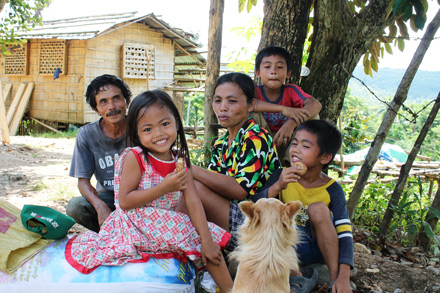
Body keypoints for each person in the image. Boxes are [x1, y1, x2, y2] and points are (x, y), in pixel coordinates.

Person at [65, 90, 233, 292]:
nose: (159, 134)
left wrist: (207, 241)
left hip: (165, 222)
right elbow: (125, 202)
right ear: (136, 133)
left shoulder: (179, 160)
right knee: (191, 234)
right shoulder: (135, 157)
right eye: (148, 129)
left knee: (209, 241)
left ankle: (231, 289)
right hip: (134, 224)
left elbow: (193, 201)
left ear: (176, 123)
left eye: (165, 124)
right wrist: (164, 187)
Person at [255, 120, 354, 293]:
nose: (295, 150)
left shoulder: (332, 189)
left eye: (305, 146)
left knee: (318, 209)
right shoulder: (281, 175)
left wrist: (343, 277)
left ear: (324, 157)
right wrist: (277, 186)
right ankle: (296, 276)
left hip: (318, 248)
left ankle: (333, 281)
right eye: (294, 143)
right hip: (285, 248)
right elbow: (256, 206)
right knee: (275, 210)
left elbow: (345, 232)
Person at [188, 72, 281, 251]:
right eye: (218, 100)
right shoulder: (222, 143)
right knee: (188, 187)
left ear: (251, 104)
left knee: (194, 187)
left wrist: (192, 170)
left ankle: (185, 253)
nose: (223, 108)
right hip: (233, 216)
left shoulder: (256, 137)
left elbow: (239, 190)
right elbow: (214, 184)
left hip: (257, 222)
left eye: (232, 101)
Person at [66, 74, 131, 232]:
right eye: (103, 102)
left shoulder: (140, 128)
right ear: (96, 109)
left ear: (126, 101)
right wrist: (100, 206)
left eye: (116, 98)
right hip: (108, 197)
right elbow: (83, 181)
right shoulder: (86, 134)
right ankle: (111, 234)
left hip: (139, 195)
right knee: (75, 207)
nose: (112, 106)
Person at [252, 46, 322, 166]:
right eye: (267, 67)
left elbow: (315, 104)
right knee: (248, 112)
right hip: (263, 140)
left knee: (313, 116)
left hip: (289, 140)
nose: (273, 71)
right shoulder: (255, 92)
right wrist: (283, 109)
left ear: (288, 73)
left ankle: (290, 163)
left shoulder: (291, 91)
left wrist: (291, 123)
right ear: (258, 73)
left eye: (279, 67)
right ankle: (254, 158)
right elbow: (249, 104)